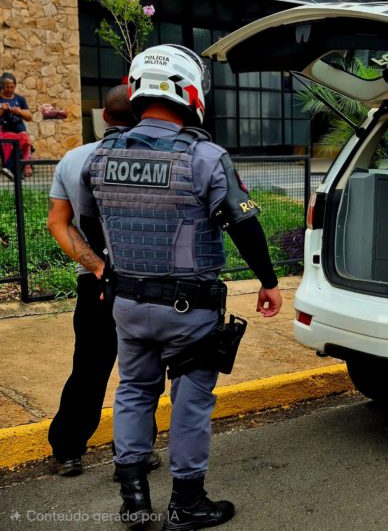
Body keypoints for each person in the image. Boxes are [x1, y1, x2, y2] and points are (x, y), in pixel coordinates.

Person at [78, 44, 282, 530]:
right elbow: (244, 225)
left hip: (127, 303)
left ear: (137, 89)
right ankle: (187, 505)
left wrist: (108, 270)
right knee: (190, 402)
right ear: (190, 92)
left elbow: (89, 224)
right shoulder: (205, 157)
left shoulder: (100, 156)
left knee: (133, 391)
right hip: (187, 310)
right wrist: (269, 282)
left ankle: (133, 498)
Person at [47, 85, 162, 479]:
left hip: (95, 283)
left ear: (105, 117)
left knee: (89, 368)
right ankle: (135, 452)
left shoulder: (73, 159)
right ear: (142, 115)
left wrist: (97, 266)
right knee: (142, 373)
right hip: (145, 281)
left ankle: (68, 451)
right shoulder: (157, 160)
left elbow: (57, 223)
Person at [0, 72, 33, 180]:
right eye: (7, 87)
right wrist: (2, 110)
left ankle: (10, 169)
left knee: (24, 140)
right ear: (2, 86)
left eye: (12, 87)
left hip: (18, 129)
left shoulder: (20, 99)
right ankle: (16, 171)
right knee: (16, 140)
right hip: (4, 130)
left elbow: (29, 117)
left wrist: (19, 111)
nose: (10, 89)